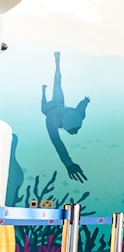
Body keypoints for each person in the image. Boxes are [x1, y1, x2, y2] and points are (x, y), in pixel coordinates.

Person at [41, 51, 90, 182]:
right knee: (52, 90)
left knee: (57, 83)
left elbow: (81, 109)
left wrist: (85, 102)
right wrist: (68, 163)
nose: (75, 133)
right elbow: (58, 144)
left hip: (58, 103)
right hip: (51, 108)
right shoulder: (51, 122)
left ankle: (44, 90)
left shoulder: (78, 116)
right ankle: (43, 91)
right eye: (74, 131)